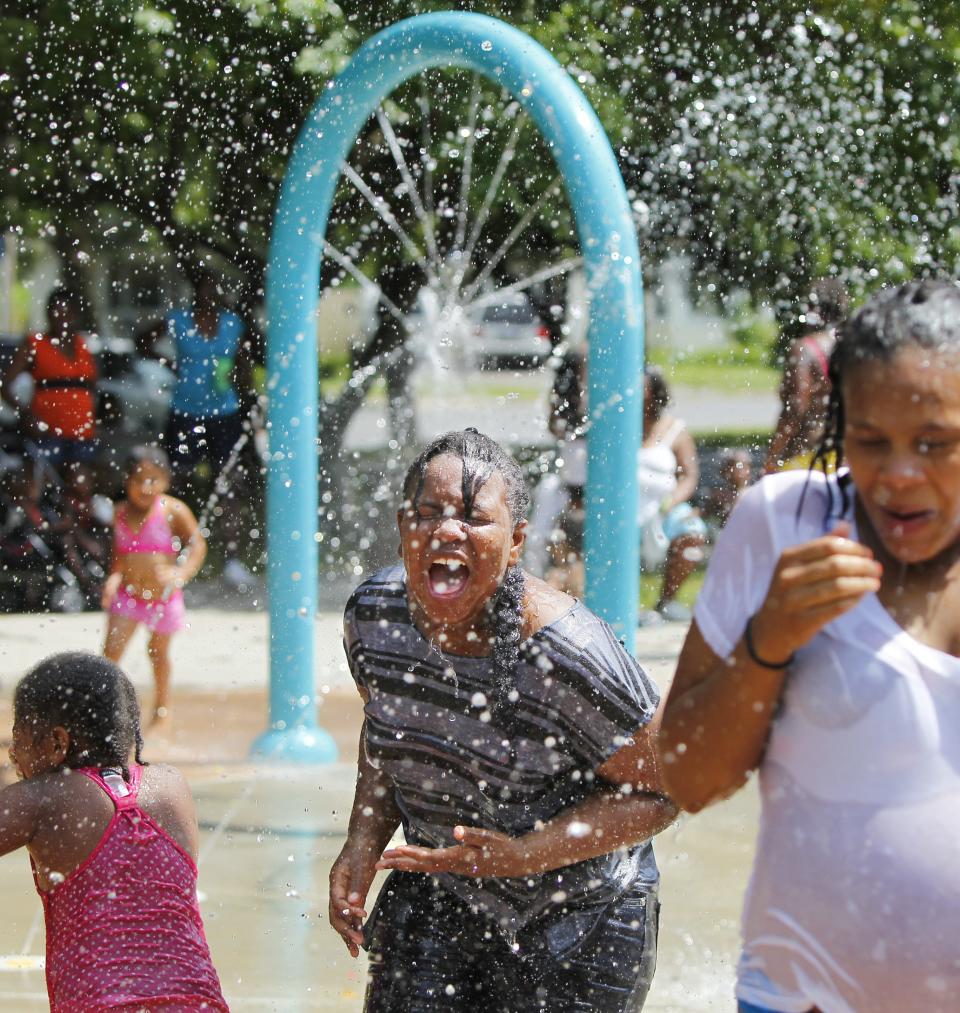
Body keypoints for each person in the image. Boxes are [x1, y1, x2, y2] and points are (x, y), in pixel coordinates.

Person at [658, 280, 960, 1012]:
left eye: (935, 443)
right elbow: (687, 778)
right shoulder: (787, 523)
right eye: (870, 439)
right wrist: (770, 637)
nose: (897, 475)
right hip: (802, 997)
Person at [330, 429, 676, 1012]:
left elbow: (665, 792)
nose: (446, 530)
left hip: (584, 913)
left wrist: (525, 854)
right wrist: (362, 843)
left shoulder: (568, 653)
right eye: (428, 512)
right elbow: (386, 730)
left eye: (472, 517)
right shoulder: (374, 617)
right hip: (443, 893)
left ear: (516, 542)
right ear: (401, 526)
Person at [2, 651, 229, 1011]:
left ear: (57, 744)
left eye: (19, 739)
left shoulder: (41, 800)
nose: (13, 755)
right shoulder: (172, 787)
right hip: (197, 1002)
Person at [137, 268, 255, 587]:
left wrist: (239, 382)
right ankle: (173, 551)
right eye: (203, 288)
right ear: (195, 292)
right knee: (178, 482)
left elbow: (243, 362)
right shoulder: (179, 320)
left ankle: (231, 560)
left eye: (214, 288)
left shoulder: (232, 324)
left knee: (229, 484)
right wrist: (172, 366)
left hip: (224, 412)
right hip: (185, 412)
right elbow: (142, 341)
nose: (209, 294)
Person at [102, 446, 206, 729]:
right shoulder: (120, 513)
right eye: (138, 481)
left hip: (163, 598)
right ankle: (105, 709)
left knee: (157, 654)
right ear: (127, 482)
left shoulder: (172, 510)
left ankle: (162, 709)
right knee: (110, 653)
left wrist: (181, 572)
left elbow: (197, 544)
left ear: (165, 482)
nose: (145, 487)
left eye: (153, 480)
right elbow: (119, 555)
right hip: (129, 596)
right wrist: (113, 578)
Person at [1, 286, 98, 485]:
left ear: (75, 313)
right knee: (44, 487)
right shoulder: (35, 344)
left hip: (81, 432)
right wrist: (25, 414)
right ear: (48, 313)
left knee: (80, 489)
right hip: (47, 432)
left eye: (67, 311)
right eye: (56, 312)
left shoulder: (83, 346)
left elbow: (92, 387)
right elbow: (4, 384)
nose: (62, 318)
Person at [637, 366, 707, 622]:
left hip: (663, 506)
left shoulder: (674, 430)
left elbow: (689, 475)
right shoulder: (617, 425)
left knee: (693, 530)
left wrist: (672, 501)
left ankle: (667, 600)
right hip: (624, 508)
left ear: (655, 393)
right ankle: (626, 604)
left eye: (642, 390)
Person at [764, 278, 849, 473]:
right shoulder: (851, 345)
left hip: (809, 455)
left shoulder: (804, 350)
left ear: (812, 308)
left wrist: (772, 458)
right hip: (845, 456)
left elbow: (795, 408)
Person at [525, 349, 588, 588]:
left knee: (572, 545)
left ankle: (561, 579)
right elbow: (555, 426)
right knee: (538, 537)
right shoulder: (567, 399)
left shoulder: (602, 397)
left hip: (589, 489)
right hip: (566, 485)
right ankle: (535, 579)